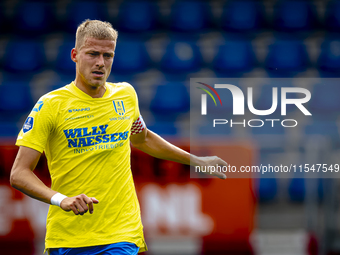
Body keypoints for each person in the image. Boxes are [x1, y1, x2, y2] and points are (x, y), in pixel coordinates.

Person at [10, 19, 227, 255]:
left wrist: (197, 160)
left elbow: (142, 138)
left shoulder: (125, 96)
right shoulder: (50, 106)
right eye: (93, 54)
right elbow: (19, 173)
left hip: (121, 235)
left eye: (108, 55)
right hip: (68, 238)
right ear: (75, 54)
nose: (101, 63)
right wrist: (61, 199)